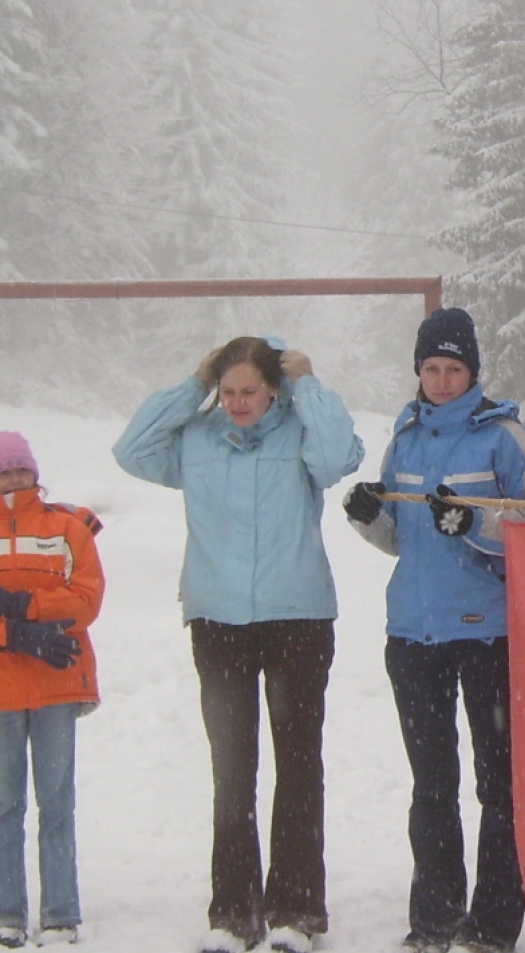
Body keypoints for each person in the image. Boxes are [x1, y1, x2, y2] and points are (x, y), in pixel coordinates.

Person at [113, 337, 363, 953]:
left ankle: (296, 914)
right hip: (218, 622)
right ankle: (234, 915)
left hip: (296, 618)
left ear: (274, 389)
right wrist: (191, 385)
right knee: (232, 772)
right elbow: (132, 450)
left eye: (250, 390)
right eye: (228, 391)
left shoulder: (300, 430)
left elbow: (337, 459)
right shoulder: (197, 439)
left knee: (298, 769)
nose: (239, 402)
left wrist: (308, 386)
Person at [341, 308, 525, 953]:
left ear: (474, 371)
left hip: (488, 633)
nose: (444, 380)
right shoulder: (404, 440)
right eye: (433, 368)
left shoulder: (504, 436)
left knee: (499, 786)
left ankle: (491, 926)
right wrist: (367, 518)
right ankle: (433, 920)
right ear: (418, 372)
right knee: (431, 784)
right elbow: (401, 540)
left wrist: (477, 526)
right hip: (415, 633)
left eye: (455, 368)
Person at [0, 432, 105, 950]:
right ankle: (6, 911)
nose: (14, 478)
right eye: (3, 471)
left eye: (21, 469)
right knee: (4, 806)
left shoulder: (67, 528)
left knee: (57, 803)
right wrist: (13, 635)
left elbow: (86, 601)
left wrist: (20, 608)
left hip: (57, 683)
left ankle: (60, 915)